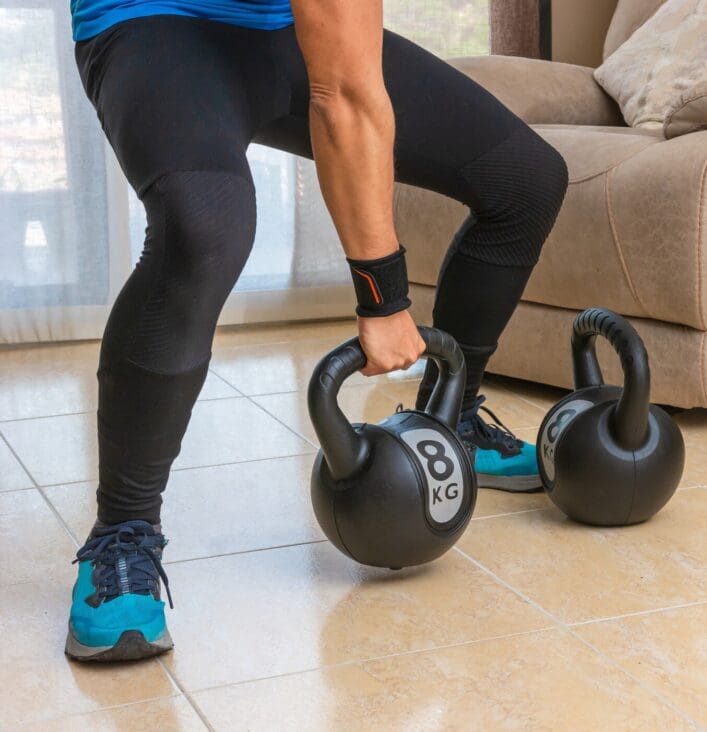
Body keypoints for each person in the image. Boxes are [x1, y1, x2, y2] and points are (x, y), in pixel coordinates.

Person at [65, 0, 568, 661]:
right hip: (152, 18)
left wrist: (383, 300)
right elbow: (345, 101)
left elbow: (348, 84)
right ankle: (121, 533)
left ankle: (455, 421)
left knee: (526, 179)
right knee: (205, 227)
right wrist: (383, 301)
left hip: (282, 27)